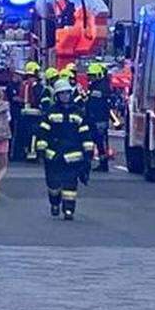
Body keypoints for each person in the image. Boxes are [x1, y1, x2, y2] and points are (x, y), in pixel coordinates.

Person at [34, 79, 95, 220]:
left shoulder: (78, 113)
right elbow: (43, 133)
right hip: (53, 155)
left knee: (70, 185)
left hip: (73, 156)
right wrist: (41, 150)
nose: (65, 96)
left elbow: (85, 133)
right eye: (62, 94)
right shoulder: (51, 113)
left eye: (67, 93)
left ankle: (69, 210)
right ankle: (54, 203)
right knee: (53, 185)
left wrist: (88, 152)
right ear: (57, 96)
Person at [85, 63, 112, 172]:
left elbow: (98, 103)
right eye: (90, 76)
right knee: (91, 141)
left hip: (100, 118)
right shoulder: (95, 86)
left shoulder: (102, 87)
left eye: (93, 75)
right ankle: (90, 161)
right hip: (93, 118)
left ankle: (103, 163)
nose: (90, 78)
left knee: (101, 142)